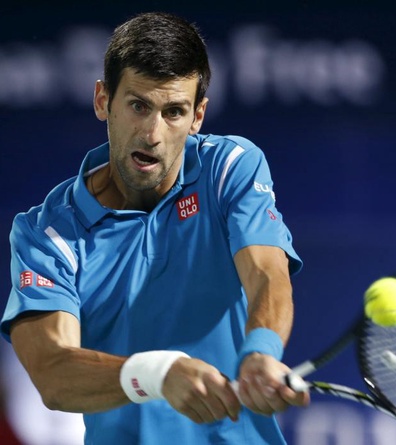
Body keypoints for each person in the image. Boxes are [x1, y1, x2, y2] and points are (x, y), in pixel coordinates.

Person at [0, 11, 309, 445]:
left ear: (198, 116)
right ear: (102, 100)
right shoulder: (47, 234)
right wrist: (158, 374)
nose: (153, 133)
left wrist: (261, 350)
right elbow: (53, 373)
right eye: (138, 105)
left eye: (174, 112)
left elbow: (266, 274)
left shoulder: (229, 169)